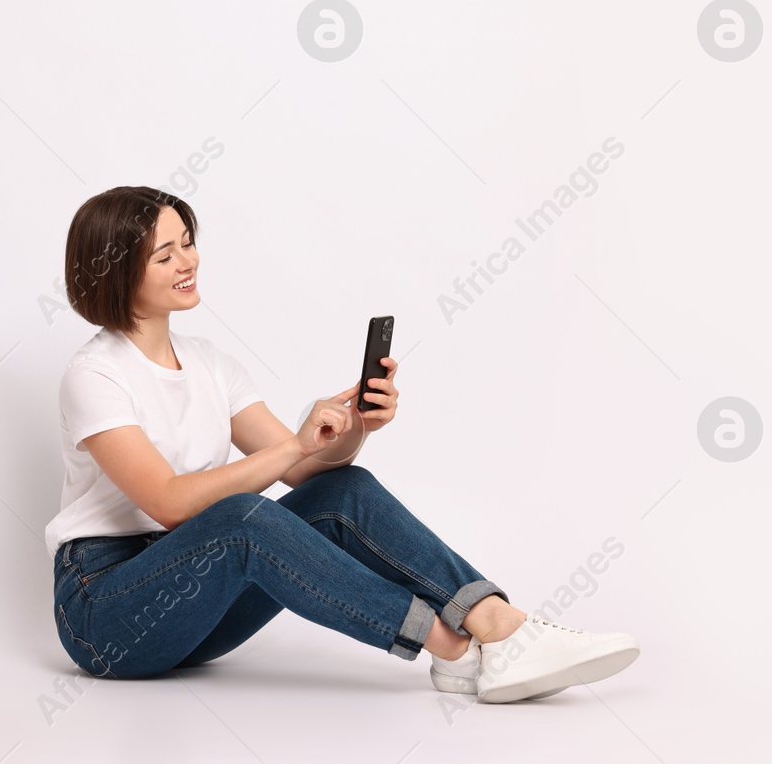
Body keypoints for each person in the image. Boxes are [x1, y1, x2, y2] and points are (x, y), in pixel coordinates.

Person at [45, 186, 640, 702]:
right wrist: (292, 449)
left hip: (198, 606)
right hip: (109, 614)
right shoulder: (96, 375)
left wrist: (351, 428)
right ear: (115, 271)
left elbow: (307, 475)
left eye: (189, 241)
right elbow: (170, 503)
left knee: (342, 487)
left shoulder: (210, 364)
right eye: (164, 253)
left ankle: (500, 626)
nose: (188, 260)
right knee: (243, 518)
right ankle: (454, 649)